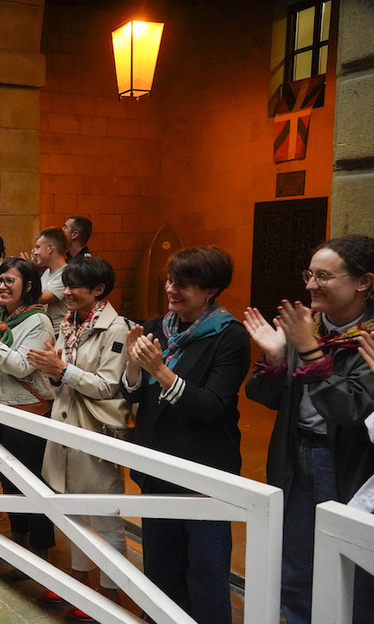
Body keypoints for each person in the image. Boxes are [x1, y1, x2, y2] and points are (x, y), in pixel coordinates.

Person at [244, 234, 374, 624]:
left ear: (363, 282)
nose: (310, 284)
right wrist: (273, 355)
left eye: (323, 276)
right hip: (294, 451)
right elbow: (263, 396)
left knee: (349, 564)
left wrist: (311, 352)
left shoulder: (368, 339)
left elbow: (349, 409)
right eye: (309, 274)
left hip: (346, 463)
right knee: (295, 561)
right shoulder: (307, 328)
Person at [123, 246, 250, 624]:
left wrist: (160, 371)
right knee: (161, 562)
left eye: (184, 284)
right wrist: (133, 366)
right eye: (169, 280)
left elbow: (211, 407)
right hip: (156, 463)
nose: (172, 289)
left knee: (206, 569)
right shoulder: (155, 326)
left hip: (203, 467)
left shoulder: (229, 337)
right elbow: (131, 393)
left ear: (210, 290)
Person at [27, 256, 130, 610]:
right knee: (70, 508)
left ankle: (111, 591)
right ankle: (79, 579)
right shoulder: (69, 322)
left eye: (73, 286)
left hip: (94, 427)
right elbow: (63, 373)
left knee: (104, 513)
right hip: (66, 421)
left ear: (98, 290)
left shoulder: (116, 329)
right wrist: (54, 371)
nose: (65, 292)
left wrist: (63, 369)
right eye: (65, 284)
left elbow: (108, 386)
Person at [0, 257, 57, 560]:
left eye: (10, 281)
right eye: (0, 280)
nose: (2, 287)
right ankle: (18, 538)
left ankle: (41, 548)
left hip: (26, 411)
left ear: (28, 286)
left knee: (30, 481)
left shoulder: (37, 321)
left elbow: (21, 367)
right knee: (6, 478)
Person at [30, 228, 68, 333]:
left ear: (50, 248)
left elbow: (39, 298)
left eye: (38, 247)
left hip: (58, 334)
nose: (35, 253)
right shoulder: (47, 272)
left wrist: (27, 270)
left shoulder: (66, 274)